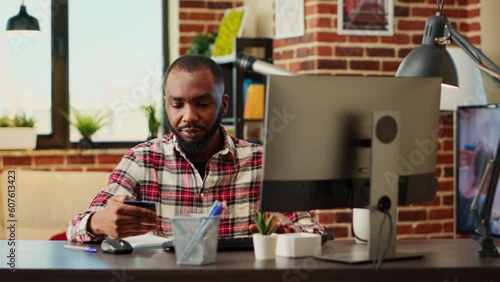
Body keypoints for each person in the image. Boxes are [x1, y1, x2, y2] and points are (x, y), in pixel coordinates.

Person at [67, 54, 323, 242]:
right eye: (177, 105)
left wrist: (290, 233)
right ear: (166, 105)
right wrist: (99, 222)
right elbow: (76, 227)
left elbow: (314, 232)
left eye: (202, 104)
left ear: (223, 105)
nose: (189, 116)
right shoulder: (143, 160)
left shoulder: (263, 162)